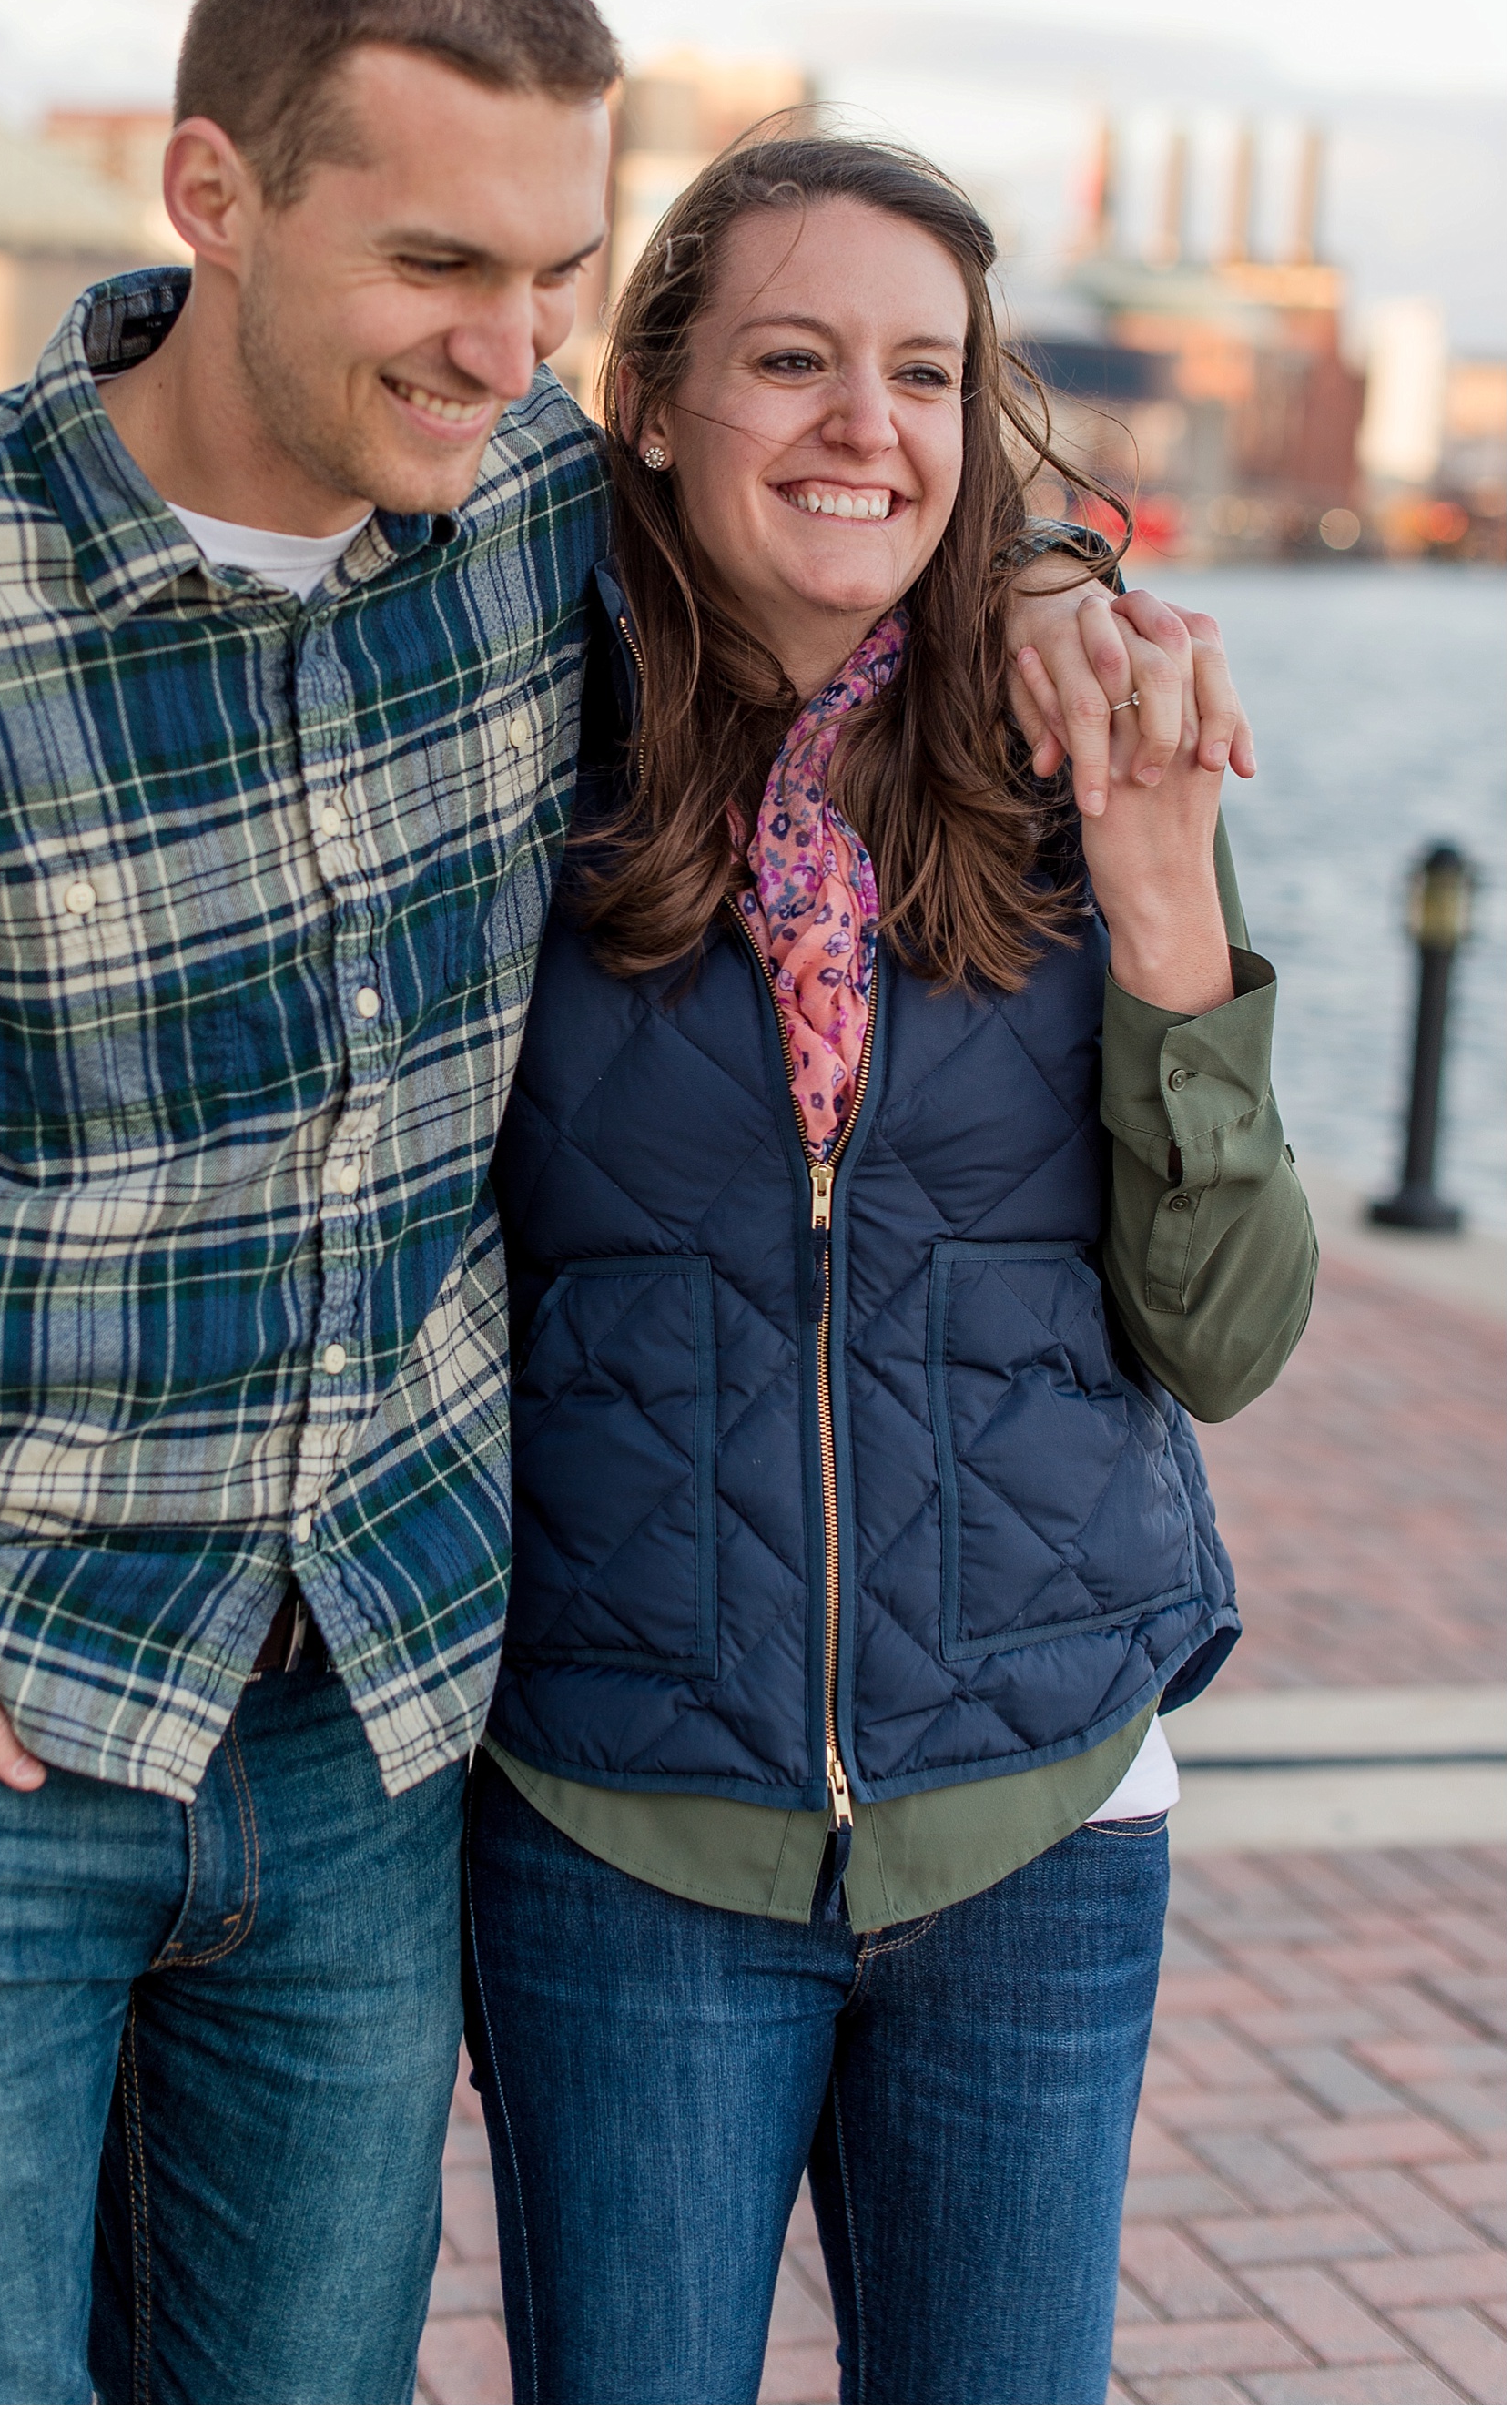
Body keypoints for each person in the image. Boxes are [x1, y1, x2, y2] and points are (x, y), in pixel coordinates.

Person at [0, 0, 1251, 2405]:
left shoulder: (518, 515)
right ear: (210, 197)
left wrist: (1051, 567)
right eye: (432, 266)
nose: (503, 345)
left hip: (372, 1723)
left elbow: (850, 463)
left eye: (546, 275)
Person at [462, 135, 1316, 2407]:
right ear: (645, 400)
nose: (867, 426)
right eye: (789, 360)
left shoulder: (1074, 751)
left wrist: (1159, 904)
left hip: (1039, 1811)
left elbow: (1222, 1339)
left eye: (923, 373)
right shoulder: (499, 743)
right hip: (624, 1825)